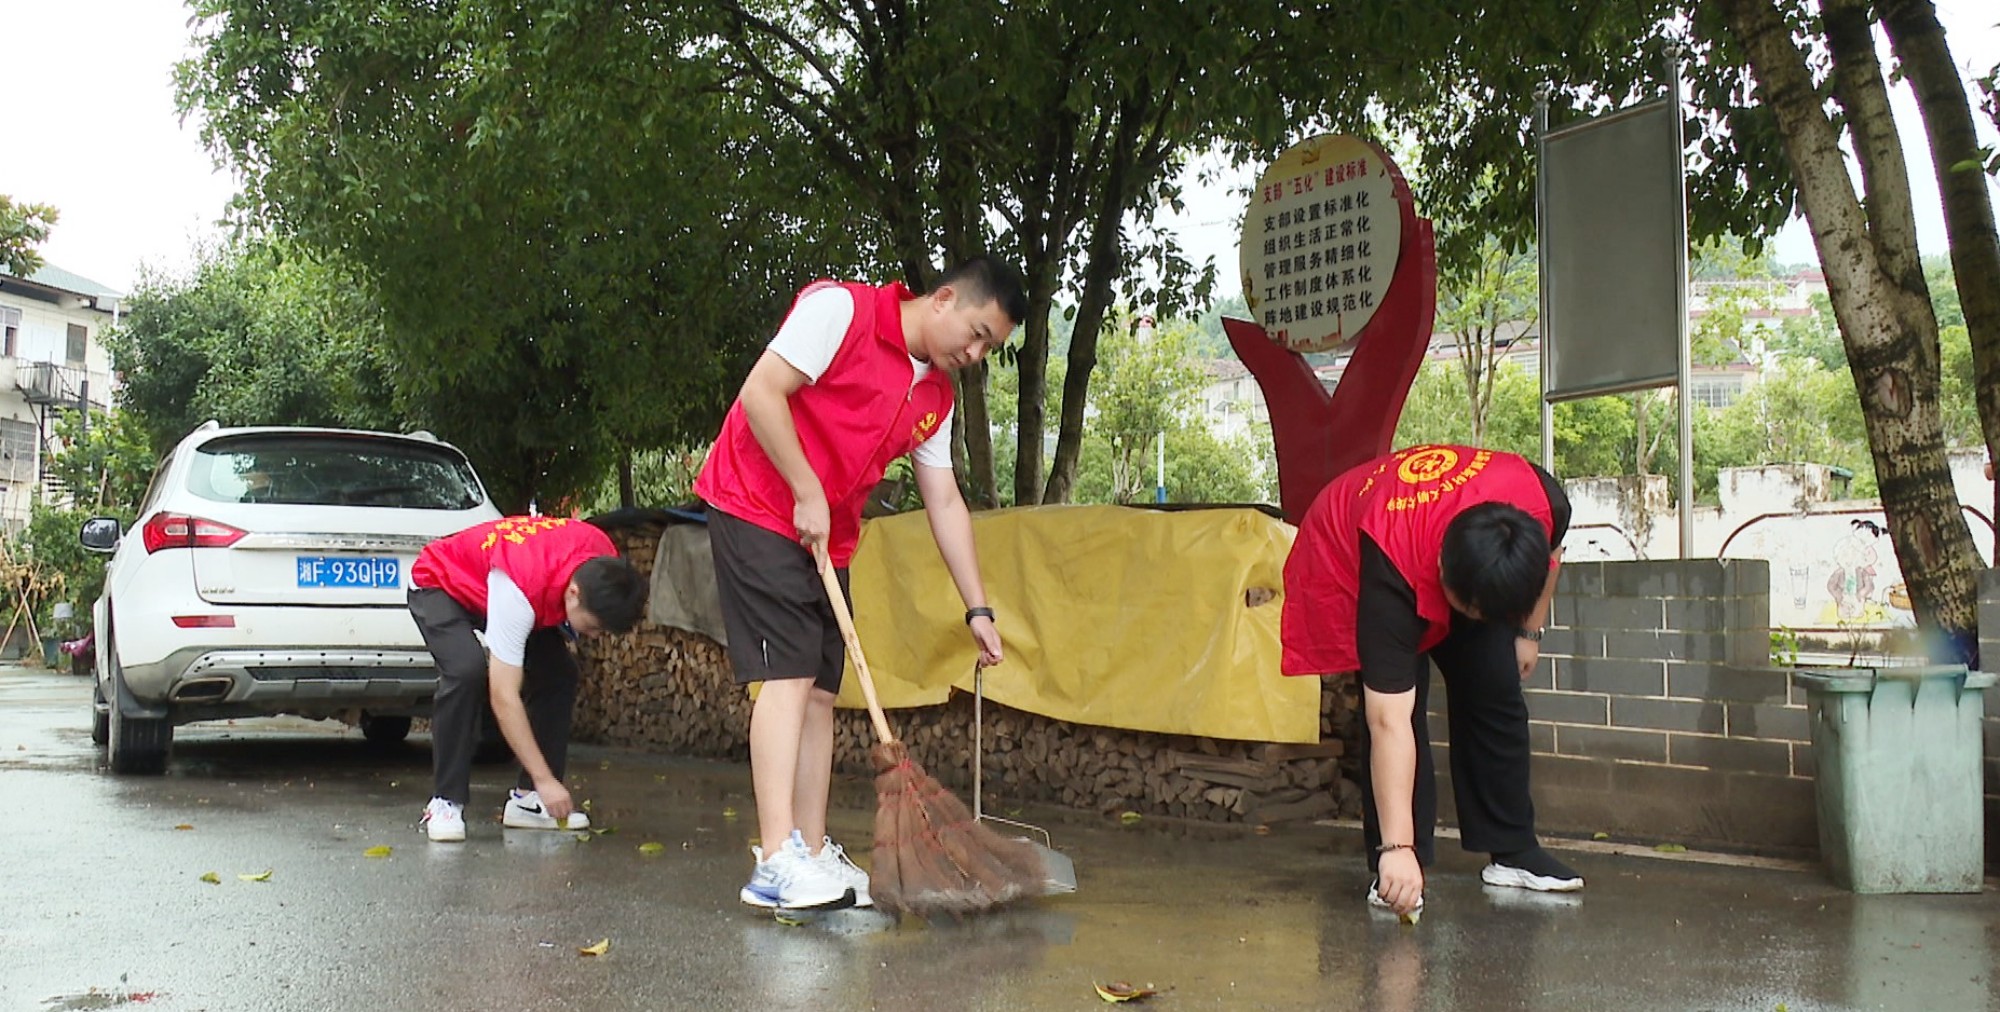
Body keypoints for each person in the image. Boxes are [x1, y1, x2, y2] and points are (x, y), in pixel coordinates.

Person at [695, 255, 1026, 913]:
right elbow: (760, 392)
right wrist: (804, 488)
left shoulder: (934, 398)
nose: (977, 351)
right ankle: (774, 859)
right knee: (787, 675)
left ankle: (811, 850)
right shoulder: (843, 312)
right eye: (978, 332)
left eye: (991, 346)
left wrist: (978, 607)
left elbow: (945, 501)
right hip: (755, 501)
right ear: (944, 299)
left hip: (824, 530)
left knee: (821, 690)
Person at [1280, 444, 1583, 918]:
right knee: (1405, 708)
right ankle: (1399, 864)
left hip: (1457, 556)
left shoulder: (1542, 502)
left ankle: (1513, 850)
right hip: (1360, 547)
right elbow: (1388, 721)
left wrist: (1528, 631)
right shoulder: (1391, 571)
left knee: (1495, 688)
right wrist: (1396, 846)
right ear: (1443, 571)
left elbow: (1552, 556)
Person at [408, 516, 648, 842]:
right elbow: (503, 696)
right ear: (574, 593)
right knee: (466, 671)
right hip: (442, 583)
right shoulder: (520, 589)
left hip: (516, 584)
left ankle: (528, 801)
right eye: (592, 627)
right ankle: (445, 802)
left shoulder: (603, 557)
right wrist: (547, 778)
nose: (592, 636)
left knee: (560, 674)